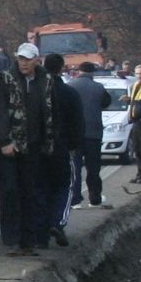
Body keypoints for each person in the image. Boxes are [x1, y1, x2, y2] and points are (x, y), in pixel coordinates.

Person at [0, 42, 71, 257]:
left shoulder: (46, 81)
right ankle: (13, 239)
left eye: (27, 59)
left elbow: (54, 113)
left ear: (37, 60)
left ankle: (30, 240)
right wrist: (4, 140)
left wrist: (51, 141)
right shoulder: (6, 79)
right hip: (9, 146)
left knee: (31, 192)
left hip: (35, 146)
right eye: (21, 59)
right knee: (10, 191)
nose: (23, 63)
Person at [41, 53, 83, 245]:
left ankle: (40, 227)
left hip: (39, 148)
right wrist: (74, 145)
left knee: (41, 186)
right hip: (62, 147)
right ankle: (57, 222)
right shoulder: (70, 93)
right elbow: (77, 123)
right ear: (61, 69)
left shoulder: (36, 92)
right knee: (64, 186)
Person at [65, 60, 109, 209]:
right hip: (94, 134)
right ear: (92, 73)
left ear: (79, 71)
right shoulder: (99, 88)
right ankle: (95, 198)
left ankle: (75, 199)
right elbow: (105, 103)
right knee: (93, 168)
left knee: (75, 168)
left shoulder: (70, 86)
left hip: (75, 133)